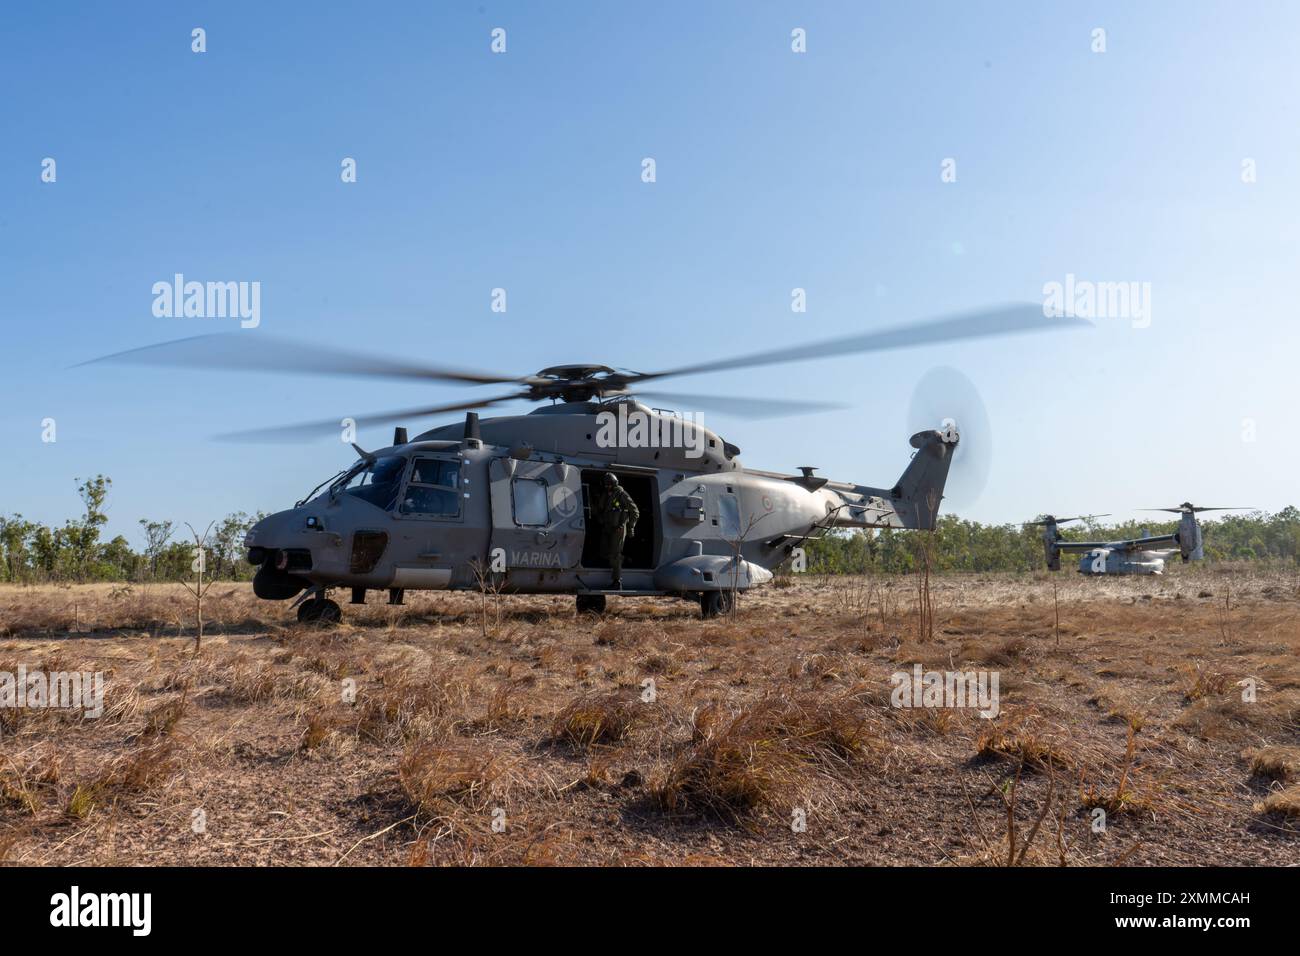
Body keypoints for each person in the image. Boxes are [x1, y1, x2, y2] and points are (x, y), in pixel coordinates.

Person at [595, 473, 638, 589]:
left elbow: (635, 511)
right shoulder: (605, 495)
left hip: (618, 528)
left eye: (609, 485)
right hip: (607, 527)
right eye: (606, 485)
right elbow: (600, 509)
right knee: (603, 551)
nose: (607, 487)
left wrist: (630, 526)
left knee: (615, 554)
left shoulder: (621, 494)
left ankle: (617, 581)